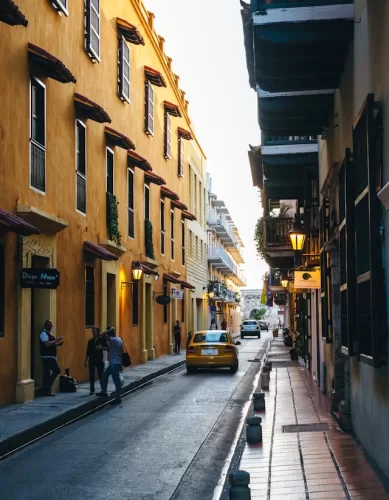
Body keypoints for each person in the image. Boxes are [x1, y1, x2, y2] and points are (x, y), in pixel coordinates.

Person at [97, 327, 124, 405]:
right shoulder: (118, 339)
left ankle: (118, 398)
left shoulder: (113, 339)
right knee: (105, 374)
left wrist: (109, 330)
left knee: (116, 381)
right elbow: (121, 351)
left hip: (114, 363)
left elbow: (101, 334)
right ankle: (103, 391)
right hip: (116, 362)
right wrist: (121, 363)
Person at [40, 320, 64, 396]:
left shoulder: (49, 334)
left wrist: (57, 344)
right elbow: (46, 344)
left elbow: (50, 344)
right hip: (47, 357)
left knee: (49, 373)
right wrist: (56, 340)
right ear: (45, 326)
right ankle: (46, 389)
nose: (49, 327)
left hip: (51, 357)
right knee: (55, 371)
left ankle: (46, 388)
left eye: (50, 325)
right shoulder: (43, 334)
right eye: (48, 325)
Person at [84, 327, 108, 395]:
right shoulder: (90, 341)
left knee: (101, 375)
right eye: (93, 331)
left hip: (99, 359)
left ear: (98, 332)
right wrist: (85, 361)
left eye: (95, 331)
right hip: (91, 359)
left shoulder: (102, 340)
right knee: (91, 375)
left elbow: (107, 348)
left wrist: (101, 347)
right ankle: (92, 390)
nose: (94, 333)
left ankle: (103, 390)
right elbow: (88, 352)